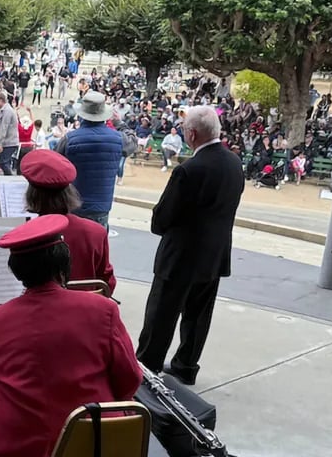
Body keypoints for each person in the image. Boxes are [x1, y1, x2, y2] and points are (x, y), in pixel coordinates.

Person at [0, 215, 142, 457]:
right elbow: (130, 379)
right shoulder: (104, 310)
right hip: (95, 456)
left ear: (17, 272)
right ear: (64, 264)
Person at [137, 106, 245, 386]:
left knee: (162, 314)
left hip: (181, 257)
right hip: (214, 255)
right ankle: (186, 365)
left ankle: (148, 366)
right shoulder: (235, 164)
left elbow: (163, 217)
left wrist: (159, 224)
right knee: (198, 316)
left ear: (192, 134)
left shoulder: (189, 170)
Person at [19, 150, 116, 291]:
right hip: (86, 310)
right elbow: (108, 283)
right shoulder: (96, 232)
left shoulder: (27, 234)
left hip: (40, 311)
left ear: (32, 195)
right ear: (69, 193)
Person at [58, 91, 122, 229]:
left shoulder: (70, 139)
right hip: (101, 206)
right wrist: (119, 123)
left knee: (72, 246)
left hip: (74, 203)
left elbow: (55, 164)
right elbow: (133, 143)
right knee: (98, 247)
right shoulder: (118, 138)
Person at [0, 92, 19, 175]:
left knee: (3, 163)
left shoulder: (7, 111)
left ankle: (10, 178)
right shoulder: (5, 110)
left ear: (1, 100)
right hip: (8, 142)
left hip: (9, 142)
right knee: (3, 163)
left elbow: (4, 128)